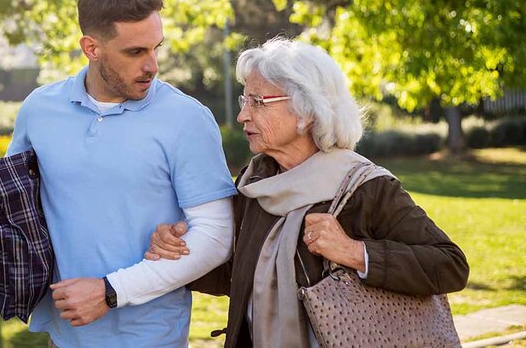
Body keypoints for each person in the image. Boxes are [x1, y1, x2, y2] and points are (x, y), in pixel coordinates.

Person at [0, 0, 238, 347]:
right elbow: (5, 204)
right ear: (91, 48)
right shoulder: (40, 109)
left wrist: (111, 291)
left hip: (149, 338)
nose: (152, 65)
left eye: (156, 47)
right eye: (135, 52)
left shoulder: (187, 119)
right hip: (62, 335)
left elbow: (216, 236)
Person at [146, 36, 470, 347]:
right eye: (246, 100)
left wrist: (354, 252)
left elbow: (449, 265)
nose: (243, 114)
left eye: (258, 102)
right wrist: (181, 250)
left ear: (307, 111)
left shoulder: (364, 186)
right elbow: (236, 274)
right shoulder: (255, 182)